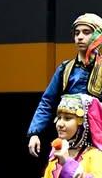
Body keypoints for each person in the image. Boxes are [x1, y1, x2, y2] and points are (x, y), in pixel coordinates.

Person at [28, 13, 102, 157]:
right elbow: (47, 102)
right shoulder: (65, 69)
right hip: (69, 140)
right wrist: (35, 133)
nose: (80, 37)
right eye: (77, 33)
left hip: (97, 141)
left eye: (86, 32)